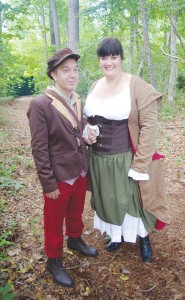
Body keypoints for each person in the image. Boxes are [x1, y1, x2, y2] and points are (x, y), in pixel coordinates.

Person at [84, 37, 170, 263]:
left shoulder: (137, 85)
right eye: (104, 57)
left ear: (122, 58)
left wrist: (140, 164)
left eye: (113, 56)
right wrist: (87, 131)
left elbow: (149, 126)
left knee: (132, 201)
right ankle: (117, 234)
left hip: (125, 158)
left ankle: (143, 238)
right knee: (108, 199)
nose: (108, 62)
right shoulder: (95, 85)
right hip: (99, 160)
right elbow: (87, 119)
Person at [27, 48, 98, 288]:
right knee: (54, 220)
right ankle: (53, 260)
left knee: (76, 212)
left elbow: (76, 126)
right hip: (58, 178)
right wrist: (48, 183)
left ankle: (75, 240)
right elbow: (39, 148)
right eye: (65, 70)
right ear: (53, 75)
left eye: (75, 70)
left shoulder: (76, 98)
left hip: (79, 170)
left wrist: (88, 129)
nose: (72, 75)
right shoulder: (40, 104)